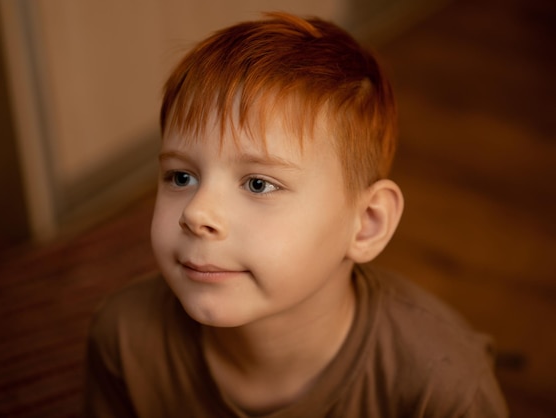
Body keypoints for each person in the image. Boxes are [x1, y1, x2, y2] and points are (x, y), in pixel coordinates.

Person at [84, 12, 508, 417]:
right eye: (181, 177)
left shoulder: (442, 384)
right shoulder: (123, 336)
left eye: (258, 184)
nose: (196, 213)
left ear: (367, 224)